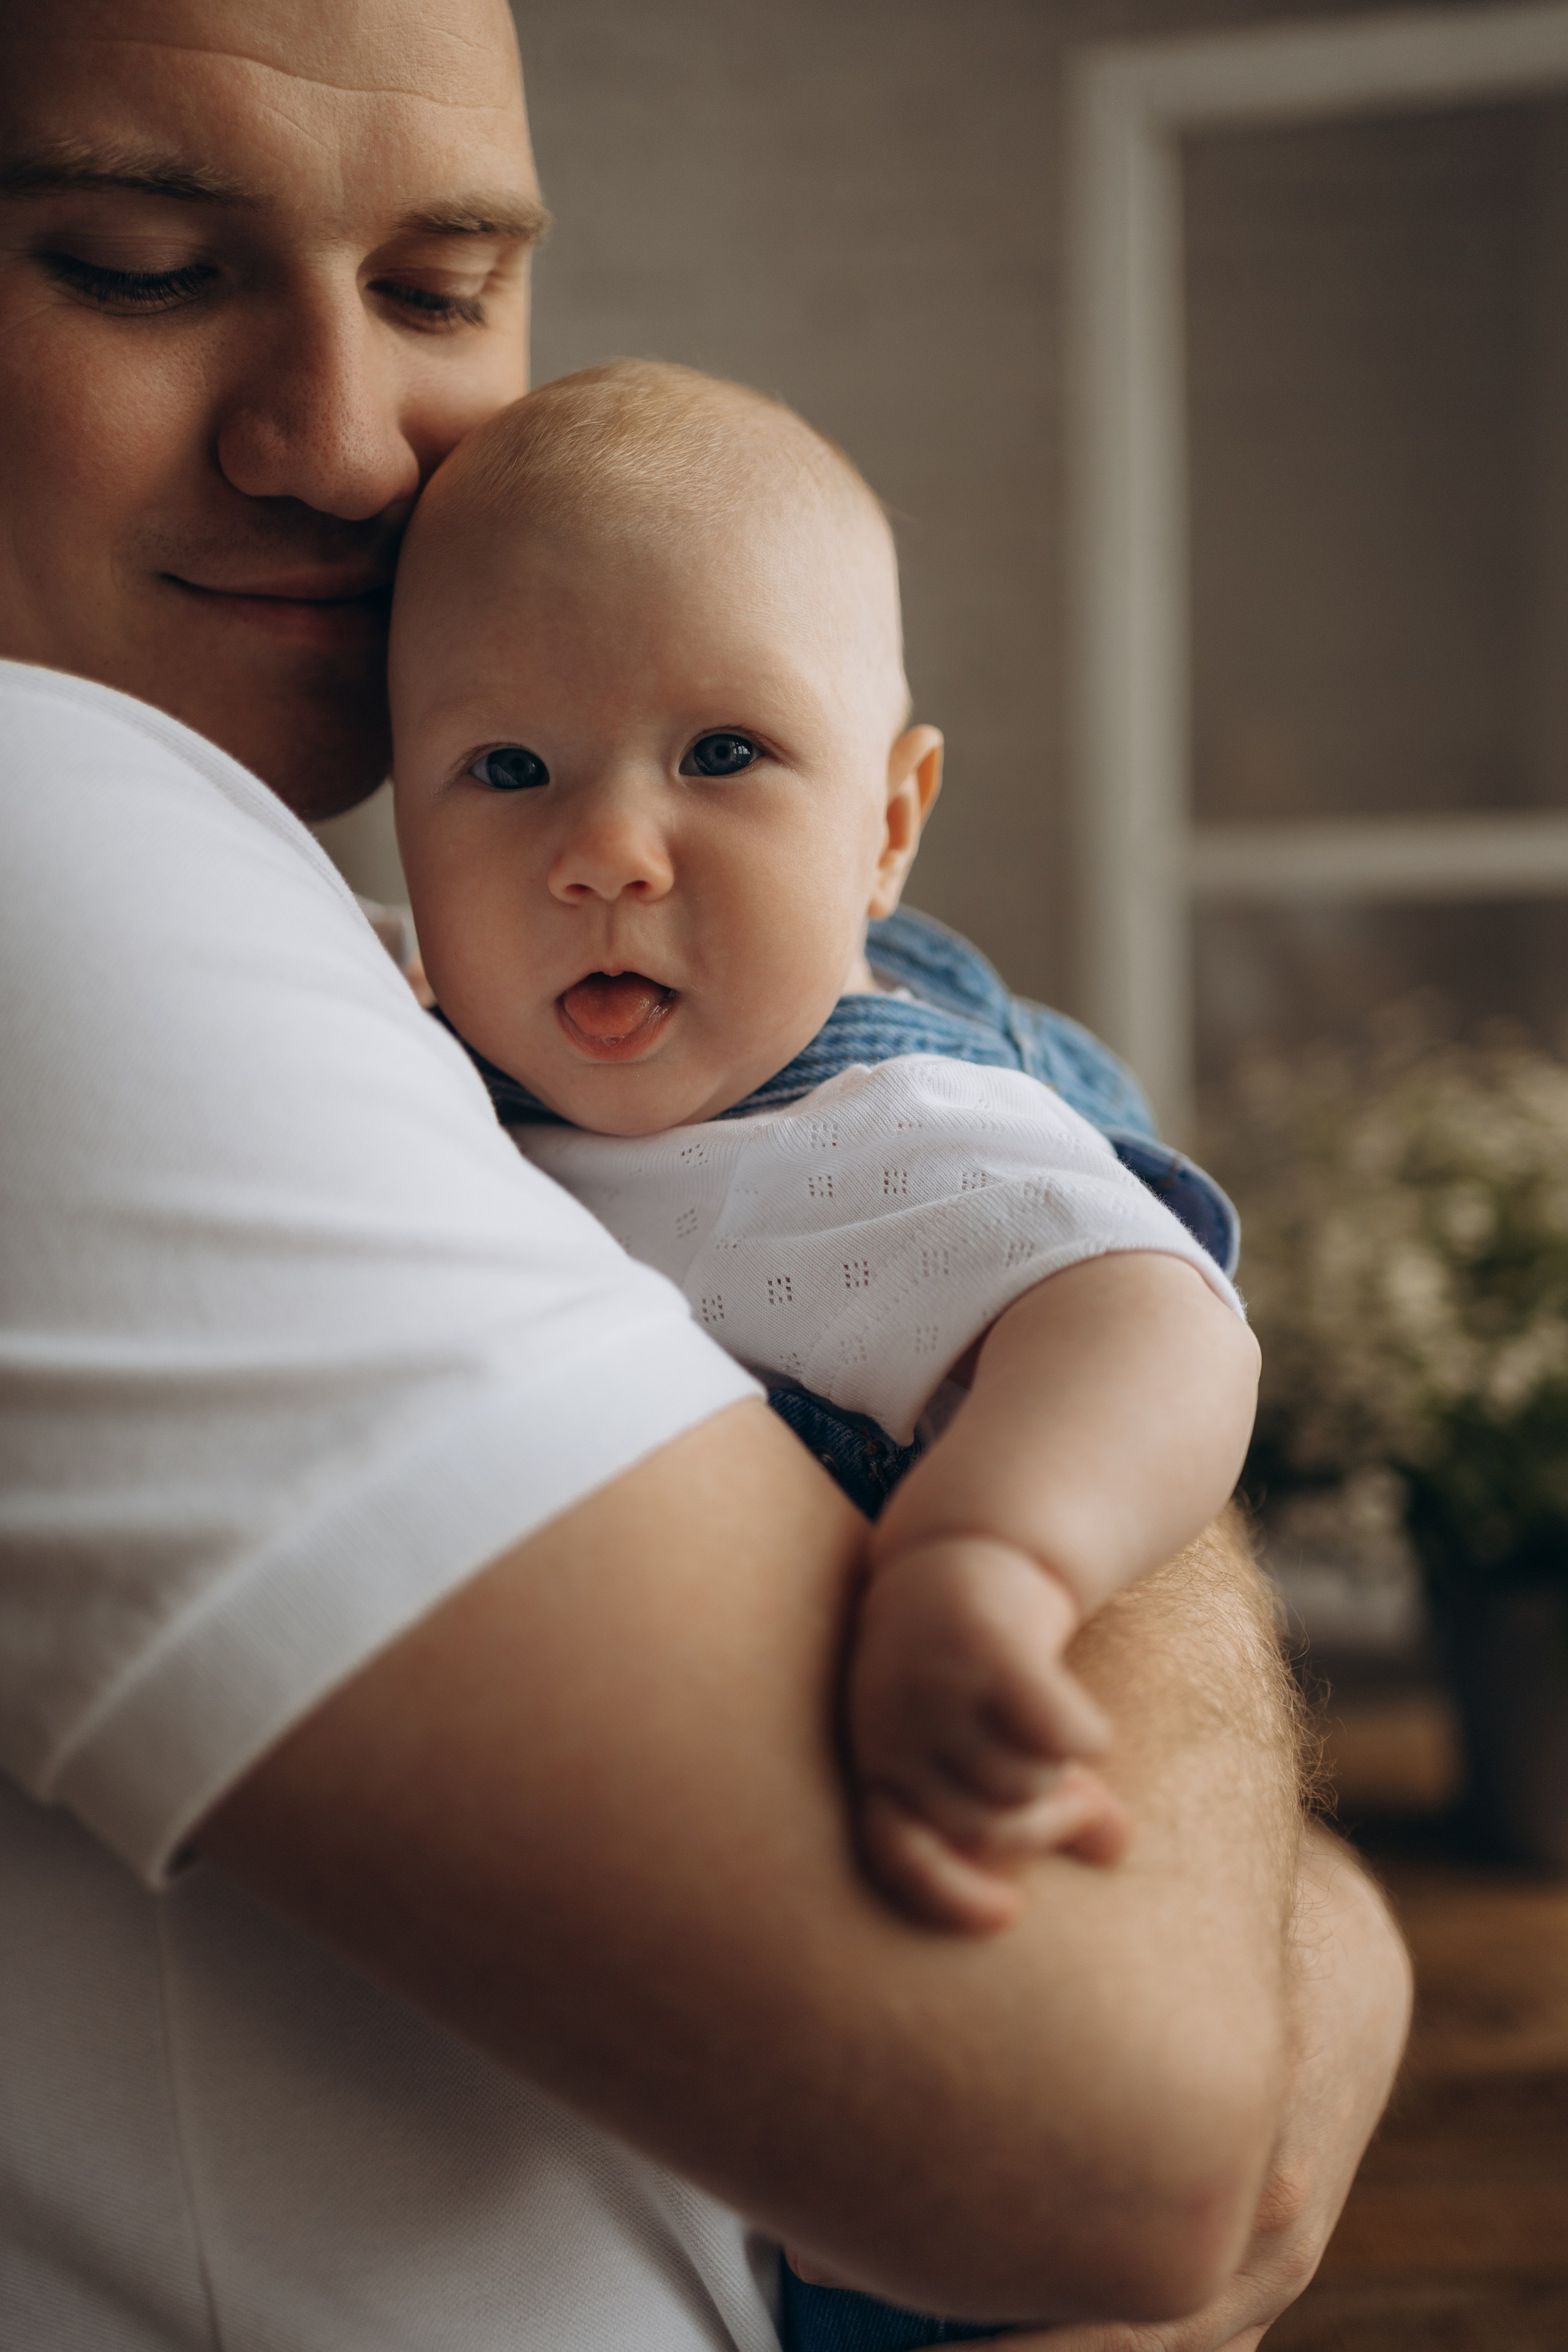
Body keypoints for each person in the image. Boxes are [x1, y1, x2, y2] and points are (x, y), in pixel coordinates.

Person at [0, 4, 1412, 2350]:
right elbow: (1154, 2137)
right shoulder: (49, 838)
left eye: (445, 290)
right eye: (138, 267)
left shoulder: (373, 976)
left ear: (888, 811)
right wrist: (1285, 1916)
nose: (344, 447)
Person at [389, 360, 1261, 1950]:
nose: (603, 856)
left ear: (887, 824)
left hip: (890, 1827)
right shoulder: (413, 1041)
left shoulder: (881, 1128)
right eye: (506, 771)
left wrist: (989, 1555)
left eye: (722, 755)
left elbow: (1152, 1315)